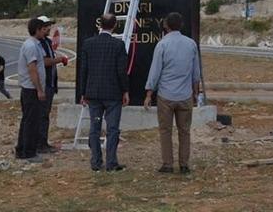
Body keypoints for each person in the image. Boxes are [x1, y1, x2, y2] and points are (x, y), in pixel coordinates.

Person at [144, 12, 201, 174]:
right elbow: (195, 72)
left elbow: (155, 72)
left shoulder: (162, 45)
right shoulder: (191, 44)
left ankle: (168, 164)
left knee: (165, 131)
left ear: (166, 26)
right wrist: (196, 93)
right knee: (185, 131)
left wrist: (149, 94)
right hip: (185, 95)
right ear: (181, 25)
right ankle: (184, 164)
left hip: (166, 96)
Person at [78, 13, 130, 172]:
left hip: (93, 93)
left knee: (95, 127)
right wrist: (125, 90)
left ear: (100, 24)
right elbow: (121, 71)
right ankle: (111, 162)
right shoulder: (118, 45)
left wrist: (82, 92)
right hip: (113, 93)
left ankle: (96, 161)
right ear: (114, 26)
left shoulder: (88, 43)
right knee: (113, 129)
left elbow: (84, 70)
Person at [14, 17, 47, 162]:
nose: (45, 31)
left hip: (31, 89)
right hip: (30, 89)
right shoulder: (31, 46)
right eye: (43, 29)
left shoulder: (36, 44)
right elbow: (32, 69)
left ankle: (22, 149)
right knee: (31, 121)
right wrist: (39, 89)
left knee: (29, 119)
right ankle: (28, 152)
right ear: (37, 30)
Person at [35, 15, 68, 154]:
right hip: (44, 84)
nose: (49, 28)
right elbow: (44, 62)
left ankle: (43, 142)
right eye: (46, 26)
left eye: (49, 25)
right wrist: (59, 59)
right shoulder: (38, 44)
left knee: (45, 114)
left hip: (50, 84)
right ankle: (39, 144)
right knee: (41, 115)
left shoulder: (47, 42)